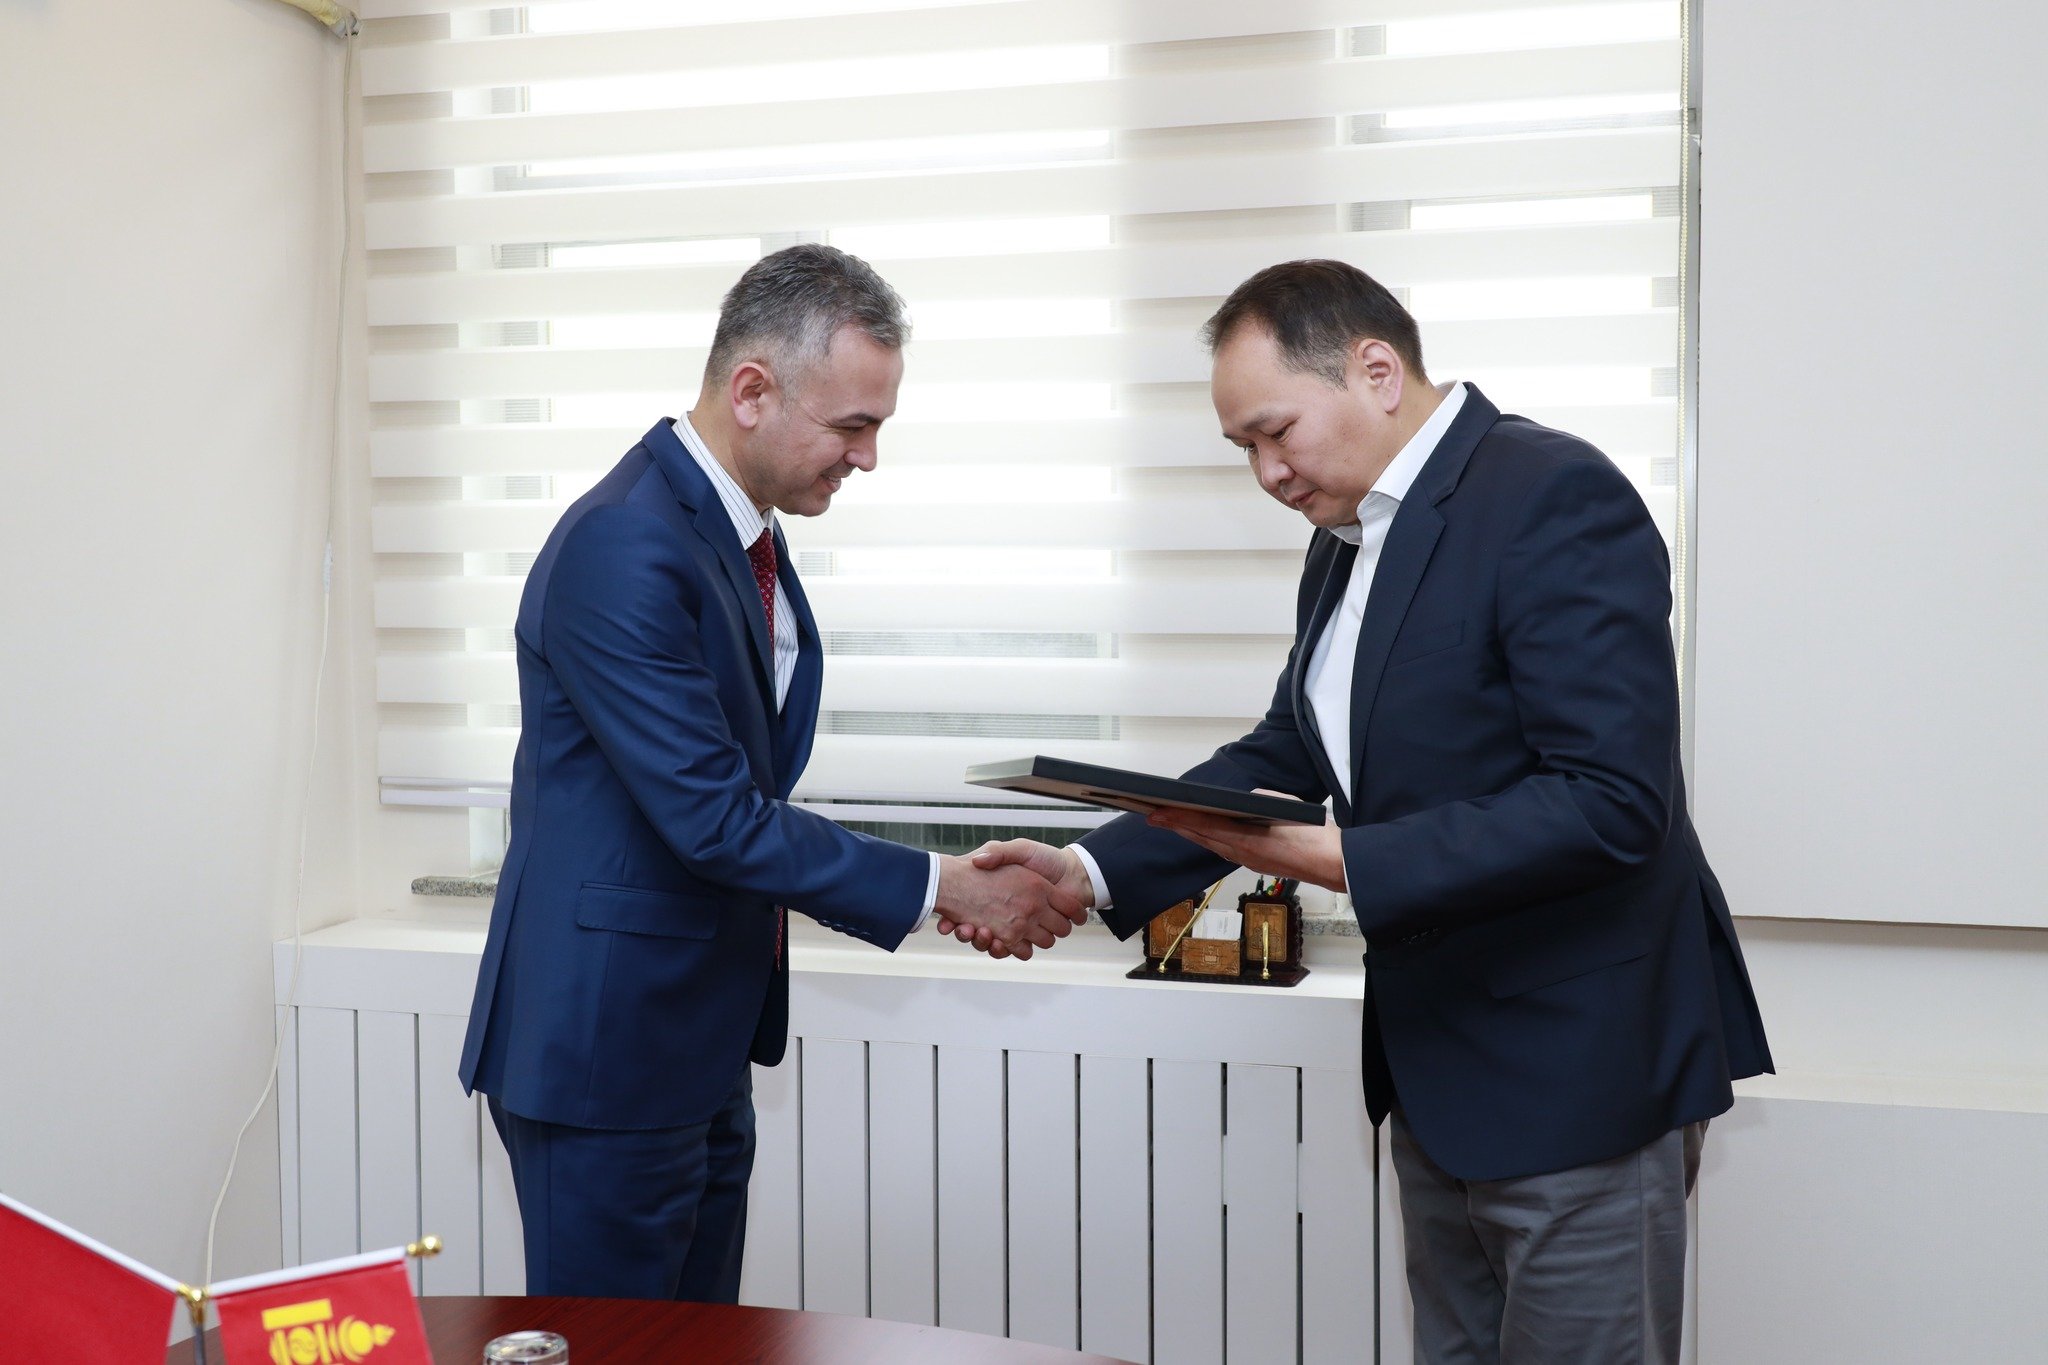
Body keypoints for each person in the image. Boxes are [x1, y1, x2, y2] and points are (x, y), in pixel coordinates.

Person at [961, 260, 1772, 1363]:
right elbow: (1287, 752)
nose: (1266, 472)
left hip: (1580, 1073)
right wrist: (1091, 869)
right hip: (1439, 1072)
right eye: (1242, 448)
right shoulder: (1347, 542)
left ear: (1376, 371)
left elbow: (1610, 804)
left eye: (1274, 432)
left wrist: (1340, 859)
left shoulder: (1551, 493)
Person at [458, 244, 1084, 1303]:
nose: (868, 458)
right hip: (607, 1051)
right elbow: (714, 816)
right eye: (852, 426)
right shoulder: (624, 542)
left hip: (696, 1042)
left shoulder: (736, 532)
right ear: (751, 391)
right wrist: (945, 886)